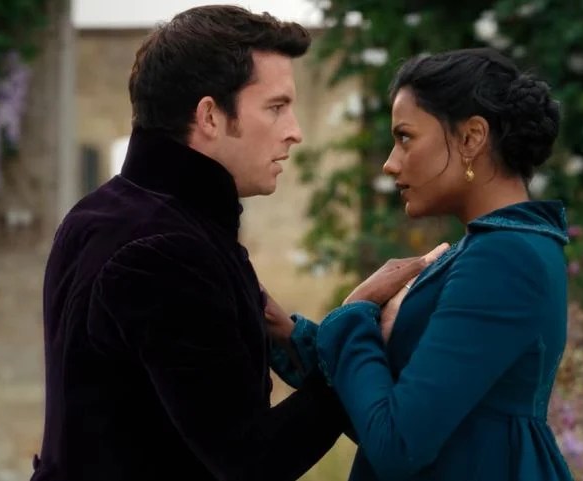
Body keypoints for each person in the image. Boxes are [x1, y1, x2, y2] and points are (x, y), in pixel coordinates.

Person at [31, 6, 439, 480]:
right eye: (276, 107)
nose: (295, 132)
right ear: (209, 116)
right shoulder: (166, 249)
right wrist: (352, 336)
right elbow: (251, 463)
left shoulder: (101, 214)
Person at [266, 48, 575, 480]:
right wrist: (289, 334)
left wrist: (354, 313)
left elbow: (398, 445)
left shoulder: (503, 257)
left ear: (471, 138)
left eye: (405, 137)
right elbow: (386, 413)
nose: (390, 163)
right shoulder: (503, 246)